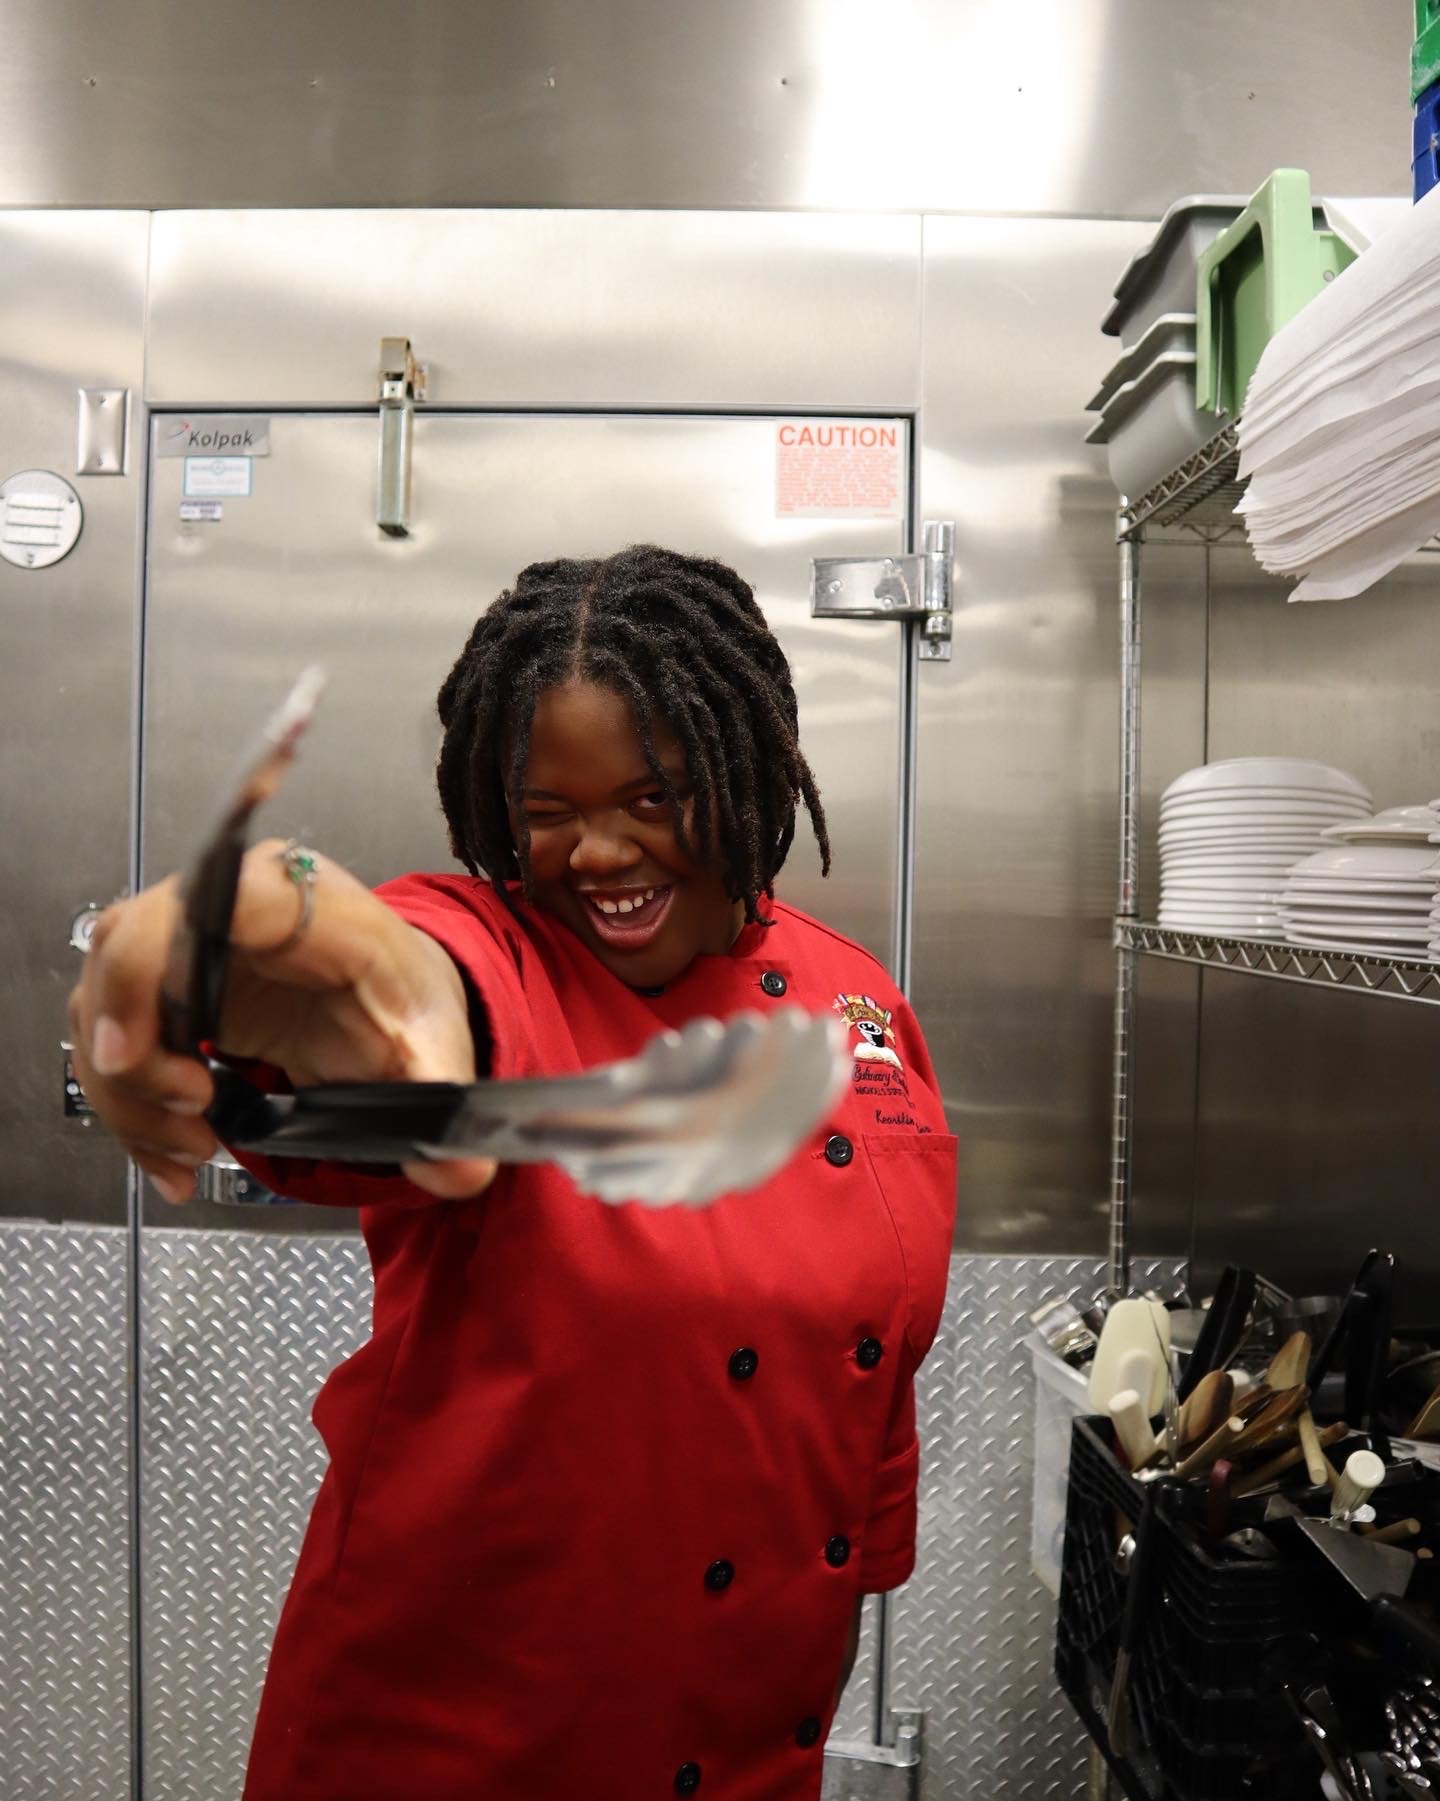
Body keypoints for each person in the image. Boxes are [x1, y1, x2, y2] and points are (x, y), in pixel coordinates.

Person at [69, 545, 957, 1801]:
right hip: (460, 1736)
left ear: (741, 763)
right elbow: (413, 994)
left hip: (750, 1734)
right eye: (548, 815)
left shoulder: (858, 997)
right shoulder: (499, 959)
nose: (597, 853)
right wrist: (282, 966)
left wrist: (853, 1551)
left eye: (650, 798)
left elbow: (873, 1355)